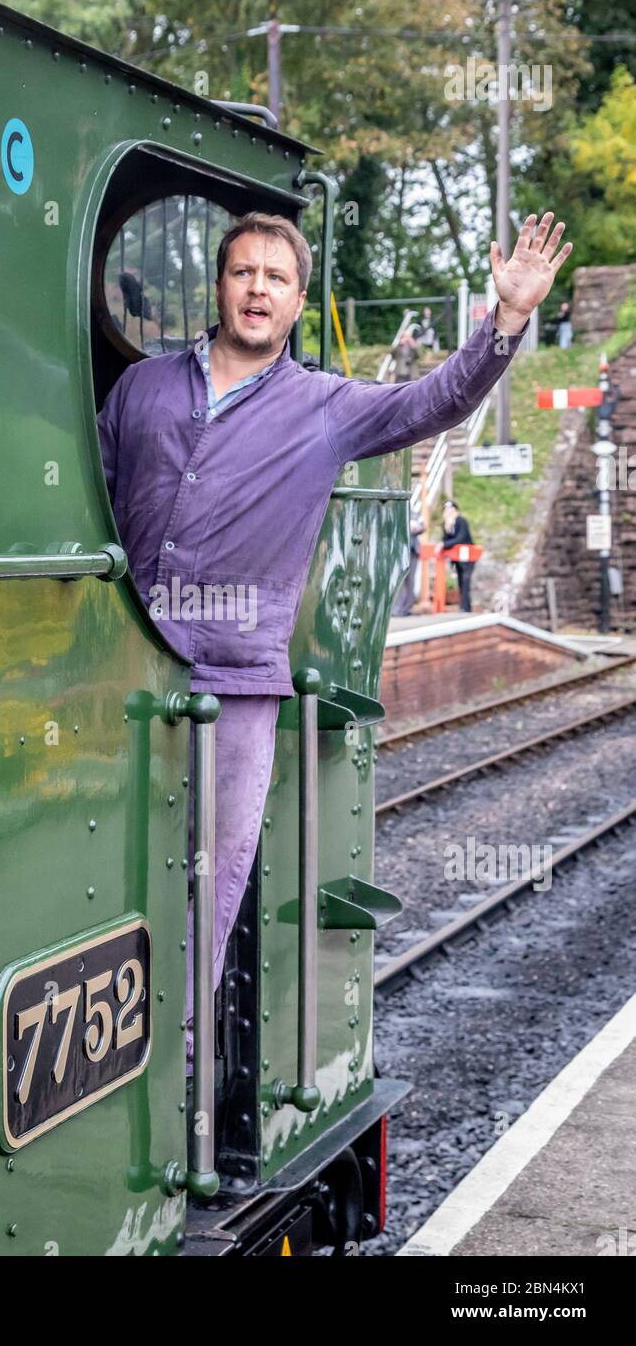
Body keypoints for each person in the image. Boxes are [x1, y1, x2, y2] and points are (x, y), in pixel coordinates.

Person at [96, 209, 572, 1074]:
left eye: (276, 279)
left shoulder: (325, 408)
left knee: (211, 883)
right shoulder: (143, 389)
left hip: (235, 685)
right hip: (116, 669)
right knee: (100, 870)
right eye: (244, 272)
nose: (257, 290)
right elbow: (91, 494)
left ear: (298, 301)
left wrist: (505, 322)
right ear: (220, 285)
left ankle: (168, 1077)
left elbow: (435, 401)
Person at [439, 499, 475, 612]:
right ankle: (464, 606)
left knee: (465, 580)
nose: (448, 512)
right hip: (457, 557)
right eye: (446, 510)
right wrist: (447, 529)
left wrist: (444, 544)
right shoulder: (446, 524)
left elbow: (461, 538)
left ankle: (465, 607)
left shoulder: (461, 521)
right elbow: (446, 539)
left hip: (467, 556)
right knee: (460, 580)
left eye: (451, 509)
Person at [392, 515, 426, 616]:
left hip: (413, 551)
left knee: (411, 581)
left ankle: (407, 607)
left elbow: (423, 527)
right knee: (400, 580)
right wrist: (409, 528)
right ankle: (397, 609)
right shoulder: (398, 510)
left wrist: (416, 528)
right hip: (401, 550)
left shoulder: (416, 514)